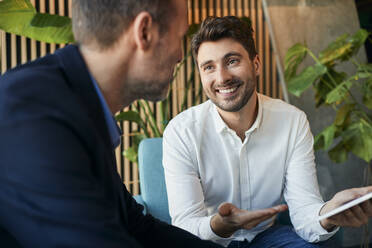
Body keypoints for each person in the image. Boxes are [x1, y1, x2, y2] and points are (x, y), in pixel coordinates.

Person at [0, 1, 225, 247]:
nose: (181, 56)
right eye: (178, 36)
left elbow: (136, 227)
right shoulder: (32, 113)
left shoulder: (78, 104)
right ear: (144, 33)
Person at [162, 16, 372, 248]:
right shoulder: (181, 131)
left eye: (232, 61)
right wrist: (223, 224)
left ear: (256, 64)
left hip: (268, 237)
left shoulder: (292, 121)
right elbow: (185, 226)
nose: (221, 77)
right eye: (209, 67)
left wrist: (329, 213)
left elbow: (304, 213)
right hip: (209, 241)